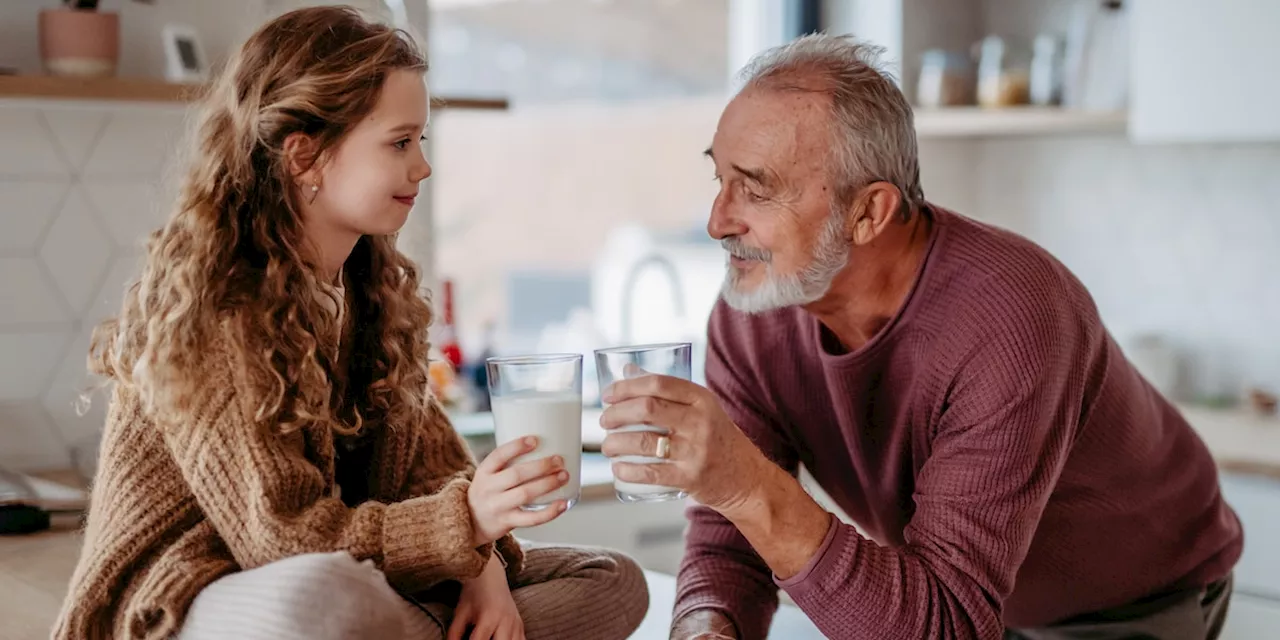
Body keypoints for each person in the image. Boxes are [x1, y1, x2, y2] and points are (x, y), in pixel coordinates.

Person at [599, 33, 1242, 640]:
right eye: (721, 179)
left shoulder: (1012, 316)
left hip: (1128, 603)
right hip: (962, 598)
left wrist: (747, 483)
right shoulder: (756, 310)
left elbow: (948, 624)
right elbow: (729, 537)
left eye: (757, 190)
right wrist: (708, 625)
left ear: (869, 212)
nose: (717, 222)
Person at [52, 7, 647, 640]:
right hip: (200, 595)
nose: (422, 166)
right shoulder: (221, 308)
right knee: (327, 597)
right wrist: (464, 528)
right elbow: (284, 541)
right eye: (399, 142)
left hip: (355, 582)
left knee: (611, 578)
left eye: (423, 141)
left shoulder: (371, 292)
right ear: (304, 158)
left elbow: (435, 471)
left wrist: (483, 570)